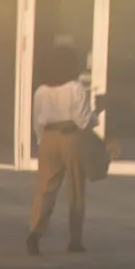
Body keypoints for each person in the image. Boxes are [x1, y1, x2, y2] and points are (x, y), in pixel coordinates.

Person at [27, 46, 95, 256]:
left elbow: (37, 121)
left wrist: (42, 140)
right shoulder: (76, 88)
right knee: (75, 189)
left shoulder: (41, 90)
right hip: (71, 137)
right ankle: (75, 240)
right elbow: (83, 121)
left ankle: (35, 232)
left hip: (48, 137)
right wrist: (97, 115)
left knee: (45, 189)